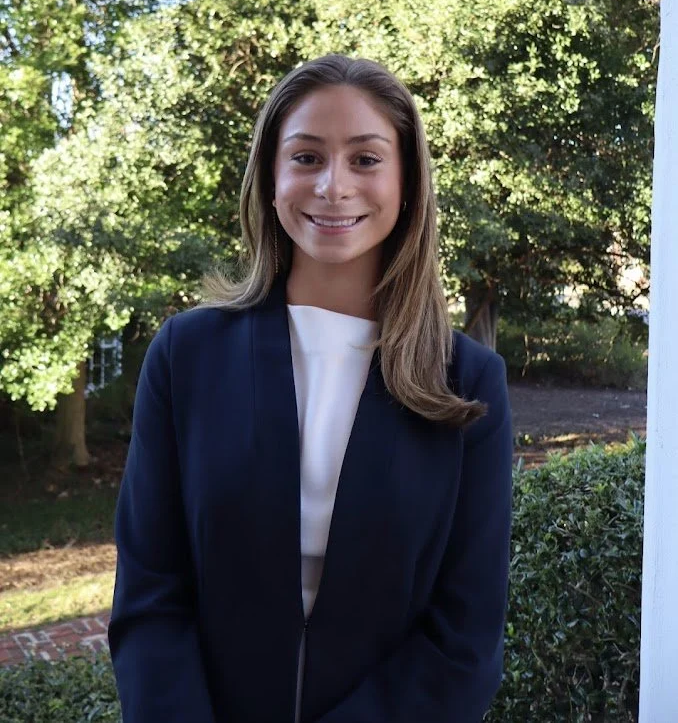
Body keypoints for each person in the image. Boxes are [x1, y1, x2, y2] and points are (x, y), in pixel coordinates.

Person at [108, 52, 513, 723]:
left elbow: (465, 639)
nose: (333, 186)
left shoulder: (469, 384)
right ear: (270, 179)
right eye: (305, 158)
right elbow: (151, 594)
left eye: (364, 159)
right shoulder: (187, 355)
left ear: (407, 181)